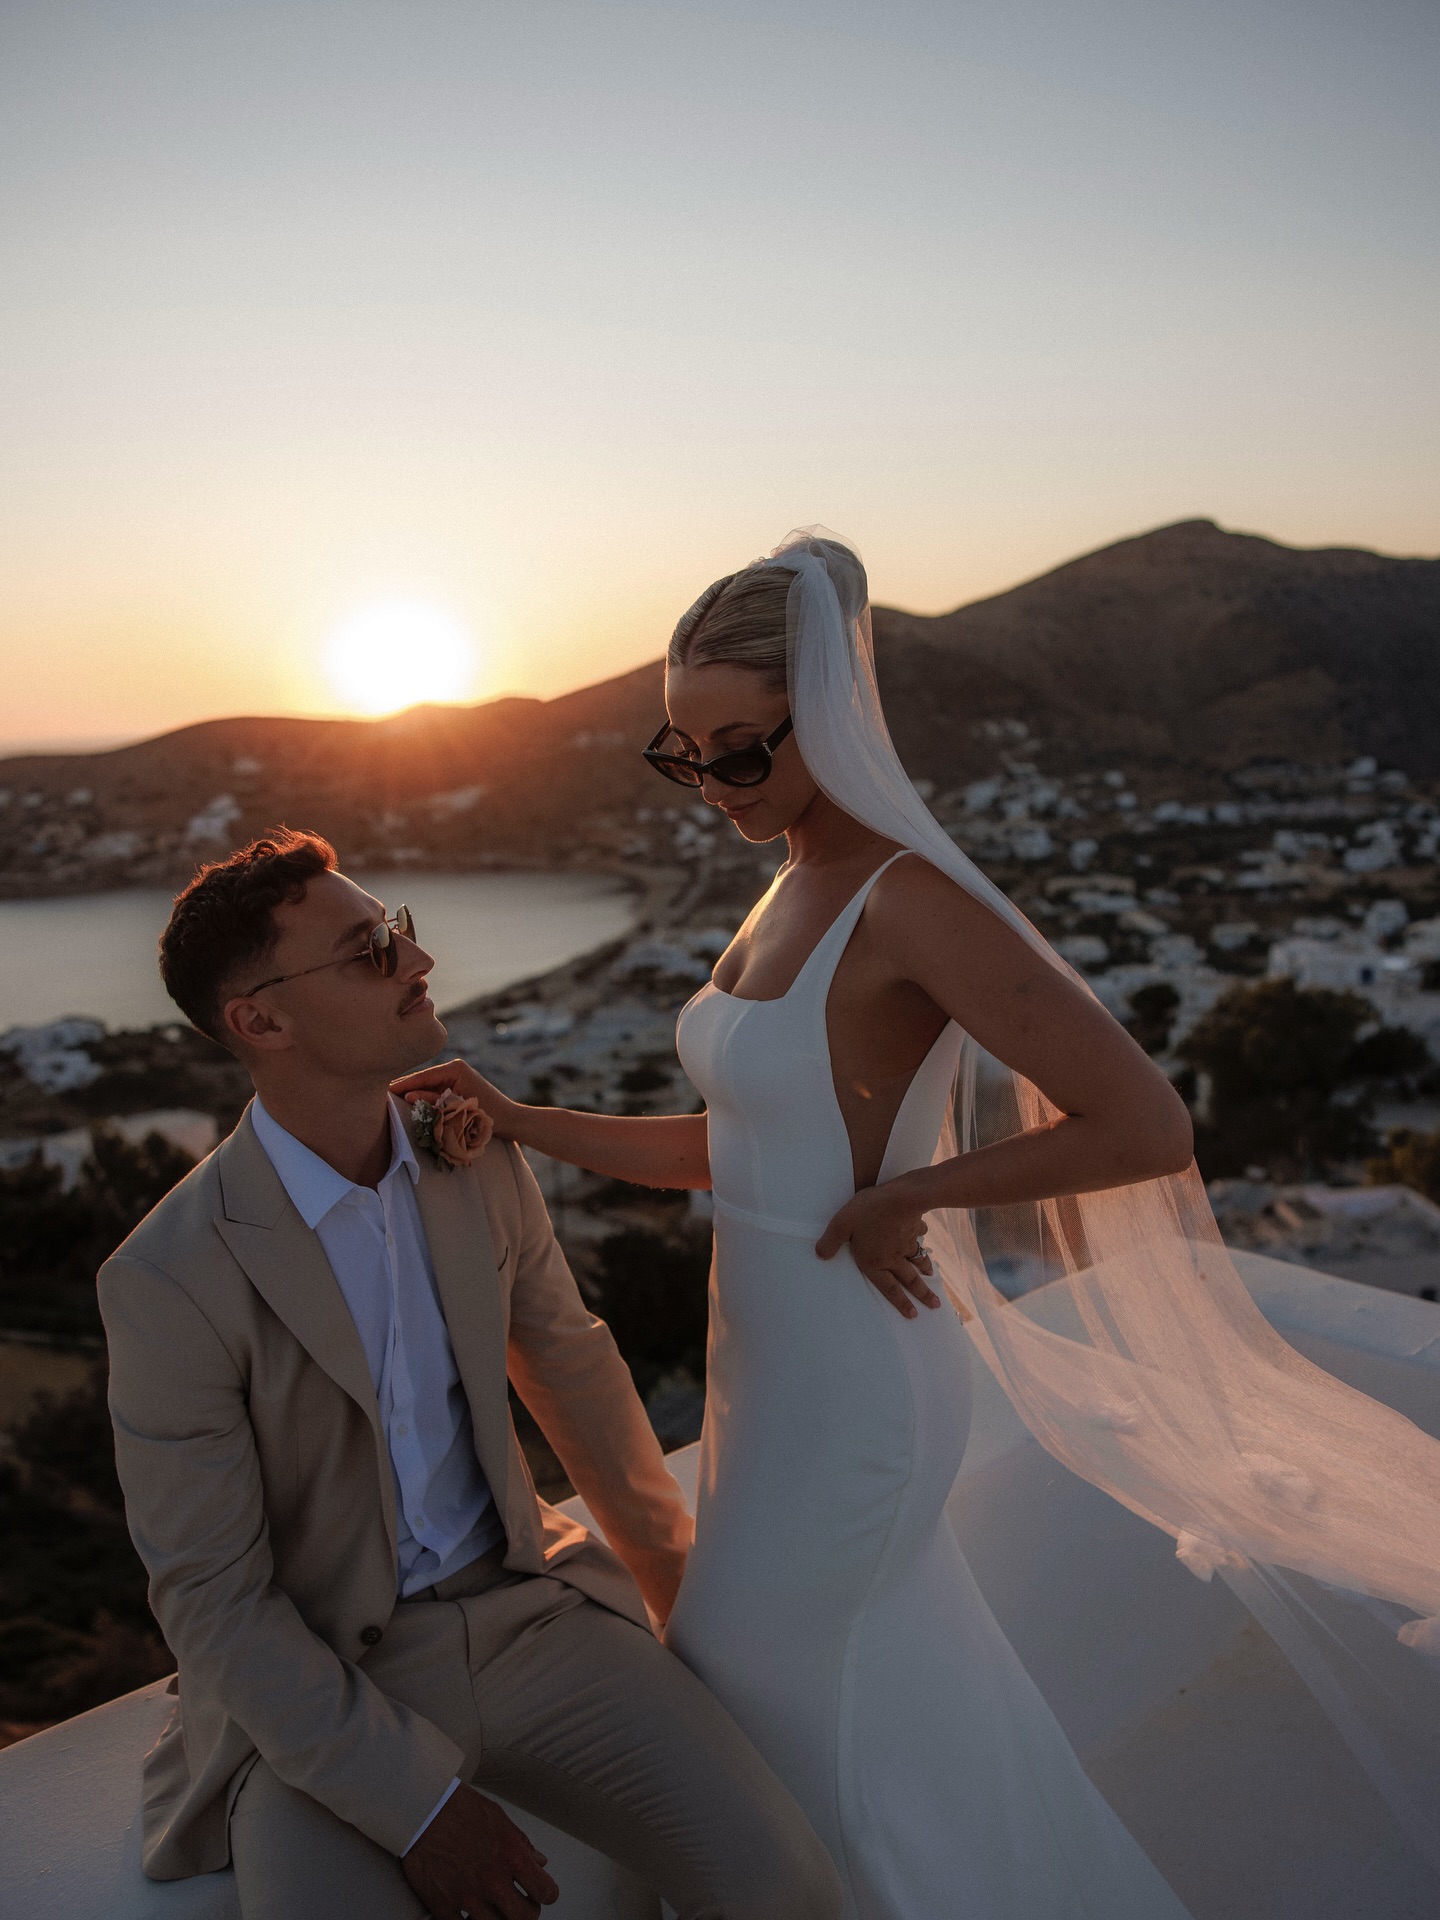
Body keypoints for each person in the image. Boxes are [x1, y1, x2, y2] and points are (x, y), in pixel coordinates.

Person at [402, 533, 1440, 1915]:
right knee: (896, 1710)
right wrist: (521, 1119)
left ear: (821, 718)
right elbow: (740, 1153)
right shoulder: (783, 886)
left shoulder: (911, 903)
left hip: (861, 1383)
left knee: (748, 1679)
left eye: (738, 752)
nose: (708, 786)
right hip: (768, 1377)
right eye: (682, 751)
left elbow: (1147, 1126)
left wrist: (915, 1193)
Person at [98, 829, 843, 1920]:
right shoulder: (171, 1276)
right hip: (325, 1685)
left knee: (785, 1892)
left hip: (532, 1620)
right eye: (367, 951)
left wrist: (687, 1600)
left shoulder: (473, 1154)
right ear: (260, 1021)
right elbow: (211, 1595)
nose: (417, 961)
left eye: (396, 928)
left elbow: (577, 1378)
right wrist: (411, 1806)